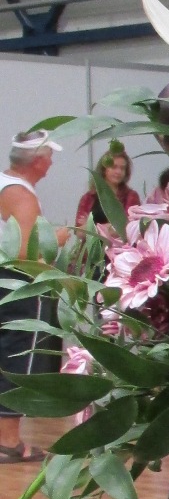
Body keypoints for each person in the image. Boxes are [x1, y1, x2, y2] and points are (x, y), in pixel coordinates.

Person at [0, 128, 65, 462]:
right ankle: (8, 441)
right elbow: (24, 252)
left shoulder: (4, 184)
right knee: (18, 356)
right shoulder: (21, 195)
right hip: (19, 283)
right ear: (38, 161)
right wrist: (64, 237)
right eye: (50, 157)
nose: (51, 164)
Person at [75, 140, 139, 228]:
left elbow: (128, 227)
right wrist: (109, 227)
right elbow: (79, 231)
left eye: (122, 168)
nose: (118, 172)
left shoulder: (131, 196)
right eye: (114, 167)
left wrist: (91, 227)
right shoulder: (88, 197)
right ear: (104, 169)